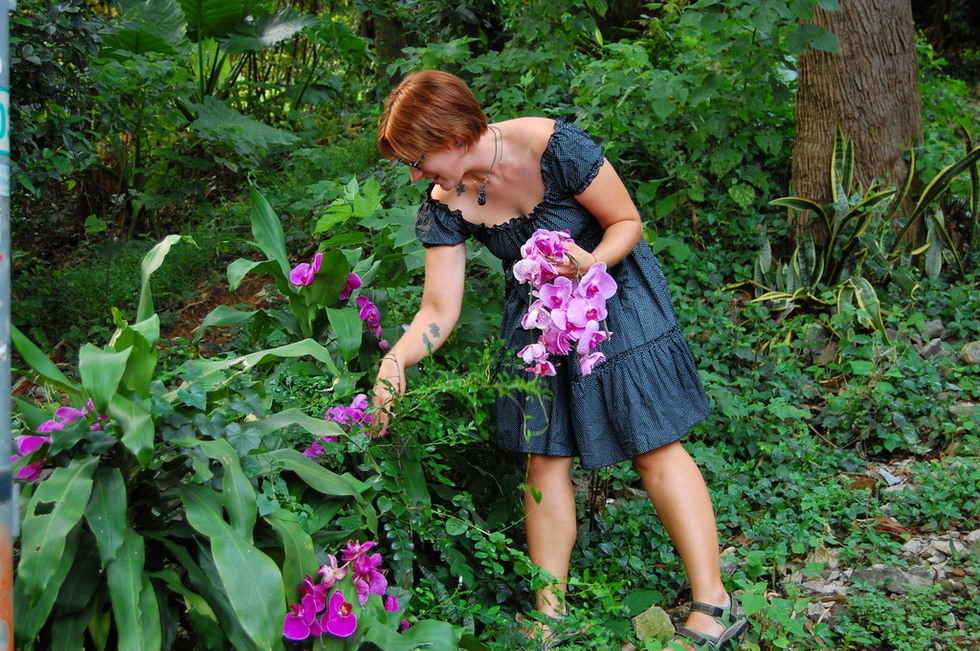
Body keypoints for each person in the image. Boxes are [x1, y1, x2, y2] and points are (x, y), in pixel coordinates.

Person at [370, 70, 747, 651]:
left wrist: (588, 262)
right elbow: (437, 308)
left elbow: (627, 222)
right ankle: (549, 617)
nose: (416, 174)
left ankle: (713, 601)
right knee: (544, 462)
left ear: (453, 133)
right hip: (536, 325)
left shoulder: (551, 146)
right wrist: (395, 361)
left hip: (610, 293)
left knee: (653, 446)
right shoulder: (445, 203)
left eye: (418, 158)